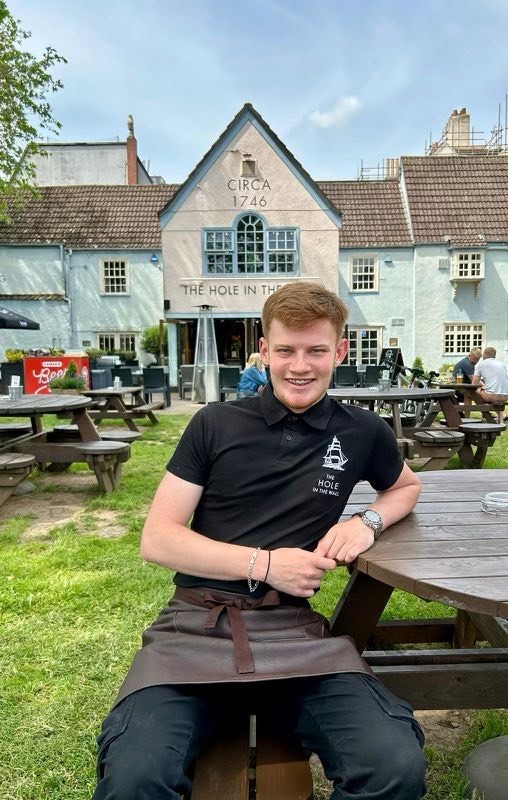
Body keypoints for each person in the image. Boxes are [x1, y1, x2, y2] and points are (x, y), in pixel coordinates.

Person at [93, 282, 426, 800]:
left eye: (316, 350)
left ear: (339, 351)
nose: (300, 366)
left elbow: (405, 487)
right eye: (286, 350)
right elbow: (157, 539)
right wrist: (265, 564)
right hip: (194, 628)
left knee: (393, 763)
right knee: (135, 777)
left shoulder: (361, 431)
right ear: (264, 349)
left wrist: (367, 523)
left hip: (295, 635)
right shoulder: (214, 423)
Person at [471, 346, 508, 423]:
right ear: (494, 355)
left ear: (484, 355)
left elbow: (474, 384)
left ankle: (486, 416)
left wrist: (480, 388)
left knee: (474, 392)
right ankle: (501, 419)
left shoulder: (480, 365)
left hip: (491, 396)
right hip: (505, 396)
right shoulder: (503, 364)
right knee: (492, 390)